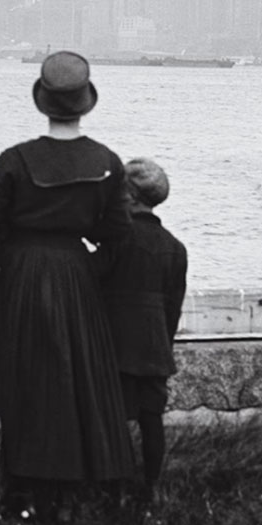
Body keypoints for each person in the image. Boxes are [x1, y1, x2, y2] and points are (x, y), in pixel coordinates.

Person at [0, 50, 133, 517]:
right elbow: (116, 231)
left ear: (43, 103)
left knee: (20, 373)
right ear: (85, 104)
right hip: (73, 272)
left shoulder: (16, 159)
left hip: (19, 273)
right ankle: (79, 484)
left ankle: (22, 482)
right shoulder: (106, 161)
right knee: (79, 376)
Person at [98, 158, 188, 504]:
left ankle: (115, 488)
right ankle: (152, 486)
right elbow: (173, 308)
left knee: (114, 417)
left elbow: (95, 278)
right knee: (152, 420)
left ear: (129, 196)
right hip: (154, 348)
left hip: (116, 345)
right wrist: (163, 346)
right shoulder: (174, 247)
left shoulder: (119, 238)